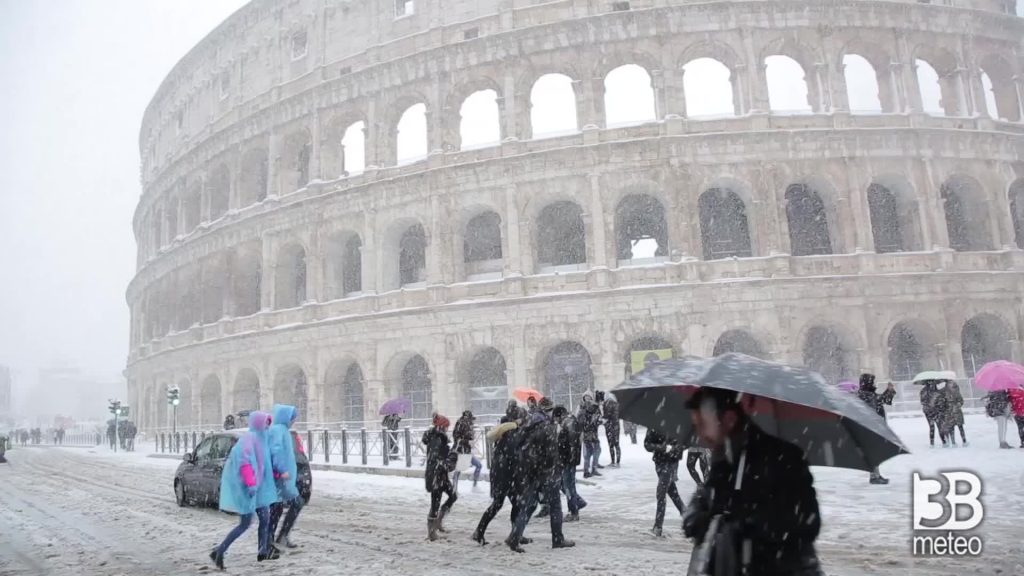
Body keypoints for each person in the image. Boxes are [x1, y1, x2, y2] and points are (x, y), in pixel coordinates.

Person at [683, 387, 823, 576]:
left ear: (730, 420)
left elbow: (807, 522)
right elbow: (700, 510)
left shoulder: (783, 458)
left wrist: (747, 520)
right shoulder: (724, 462)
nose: (699, 434)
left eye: (702, 424)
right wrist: (700, 517)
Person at [210, 411, 279, 570]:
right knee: (245, 524)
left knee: (265, 519)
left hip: (259, 490)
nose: (268, 427)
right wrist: (251, 484)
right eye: (266, 423)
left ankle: (263, 550)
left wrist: (276, 474)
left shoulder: (262, 440)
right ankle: (219, 551)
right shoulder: (248, 440)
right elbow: (245, 464)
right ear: (258, 424)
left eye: (269, 423)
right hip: (249, 490)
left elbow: (264, 464)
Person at [507, 397, 574, 552]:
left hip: (530, 471)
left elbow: (520, 444)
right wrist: (555, 467)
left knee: (528, 505)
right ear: (547, 410)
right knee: (555, 505)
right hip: (546, 472)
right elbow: (551, 453)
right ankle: (557, 539)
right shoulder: (547, 426)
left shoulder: (529, 422)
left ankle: (515, 536)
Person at [473, 413, 527, 545]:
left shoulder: (502, 440)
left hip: (502, 477)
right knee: (507, 504)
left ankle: (515, 534)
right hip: (506, 478)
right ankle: (481, 532)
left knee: (512, 504)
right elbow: (515, 459)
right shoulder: (510, 439)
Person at [268, 404, 304, 550]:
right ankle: (276, 538)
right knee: (292, 504)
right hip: (280, 478)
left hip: (285, 479)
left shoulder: (283, 431)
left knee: (277, 508)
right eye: (293, 417)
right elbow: (275, 452)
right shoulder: (279, 430)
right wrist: (282, 470)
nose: (294, 420)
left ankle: (275, 538)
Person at [644, 427, 685, 538]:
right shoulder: (655, 424)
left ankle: (658, 527)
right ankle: (687, 516)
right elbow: (647, 444)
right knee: (673, 493)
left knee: (661, 493)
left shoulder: (678, 425)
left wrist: (675, 448)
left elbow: (685, 443)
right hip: (659, 463)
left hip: (671, 464)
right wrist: (662, 448)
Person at [423, 414, 458, 541]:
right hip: (435, 475)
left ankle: (438, 521)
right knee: (435, 503)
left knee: (453, 496)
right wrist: (447, 462)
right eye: (446, 427)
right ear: (442, 427)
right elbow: (435, 458)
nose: (447, 429)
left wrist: (451, 455)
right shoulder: (436, 439)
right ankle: (431, 532)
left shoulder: (439, 438)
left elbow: (441, 456)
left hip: (440, 475)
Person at [857, 373, 895, 484]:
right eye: (871, 381)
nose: (873, 383)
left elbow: (882, 400)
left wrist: (890, 391)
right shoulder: (865, 395)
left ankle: (875, 475)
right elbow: (879, 401)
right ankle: (874, 476)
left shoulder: (866, 394)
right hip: (870, 429)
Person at [554, 405, 585, 521]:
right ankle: (575, 507)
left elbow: (572, 443)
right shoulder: (570, 421)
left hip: (568, 460)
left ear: (559, 415)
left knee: (568, 486)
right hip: (569, 459)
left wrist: (569, 459)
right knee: (569, 485)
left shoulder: (568, 422)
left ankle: (573, 512)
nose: (556, 421)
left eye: (556, 418)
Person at [452, 410, 482, 489]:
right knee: (459, 469)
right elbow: (456, 438)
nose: (472, 421)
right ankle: (454, 488)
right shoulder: (461, 424)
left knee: (478, 465)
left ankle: (474, 486)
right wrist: (467, 441)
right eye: (471, 419)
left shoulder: (468, 425)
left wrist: (471, 441)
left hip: (467, 450)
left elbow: (469, 436)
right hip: (461, 450)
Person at [578, 392, 602, 478]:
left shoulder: (591, 407)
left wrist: (597, 421)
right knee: (593, 451)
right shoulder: (586, 408)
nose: (587, 398)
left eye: (588, 397)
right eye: (586, 397)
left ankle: (589, 469)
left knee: (594, 450)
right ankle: (589, 470)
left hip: (591, 432)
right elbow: (581, 421)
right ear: (584, 398)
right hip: (588, 433)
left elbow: (598, 418)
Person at [939, 380, 967, 446]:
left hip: (949, 412)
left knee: (951, 427)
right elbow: (961, 401)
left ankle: (953, 442)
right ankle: (964, 441)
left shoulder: (943, 391)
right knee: (960, 427)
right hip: (957, 411)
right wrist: (957, 405)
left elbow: (942, 402)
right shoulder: (956, 391)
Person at [920, 381, 946, 447]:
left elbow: (922, 401)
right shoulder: (936, 391)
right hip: (936, 411)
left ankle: (932, 443)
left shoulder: (923, 391)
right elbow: (941, 402)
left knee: (931, 427)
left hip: (927, 412)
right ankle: (944, 442)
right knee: (939, 426)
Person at [601, 392, 622, 468]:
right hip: (616, 425)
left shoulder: (608, 403)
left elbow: (607, 415)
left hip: (610, 426)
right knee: (617, 443)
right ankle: (618, 461)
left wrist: (602, 419)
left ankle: (613, 461)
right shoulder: (616, 403)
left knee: (611, 444)